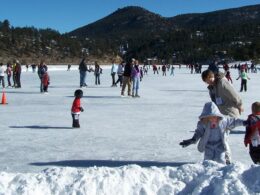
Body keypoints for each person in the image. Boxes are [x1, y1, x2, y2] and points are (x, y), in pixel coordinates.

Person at [180, 102, 247, 164]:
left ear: (217, 116)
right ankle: (207, 174)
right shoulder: (203, 124)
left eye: (214, 117)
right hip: (208, 145)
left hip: (220, 145)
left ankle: (223, 172)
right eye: (209, 118)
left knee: (221, 160)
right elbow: (199, 132)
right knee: (208, 161)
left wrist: (244, 122)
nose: (212, 120)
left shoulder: (223, 121)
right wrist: (193, 139)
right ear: (205, 118)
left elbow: (234, 121)